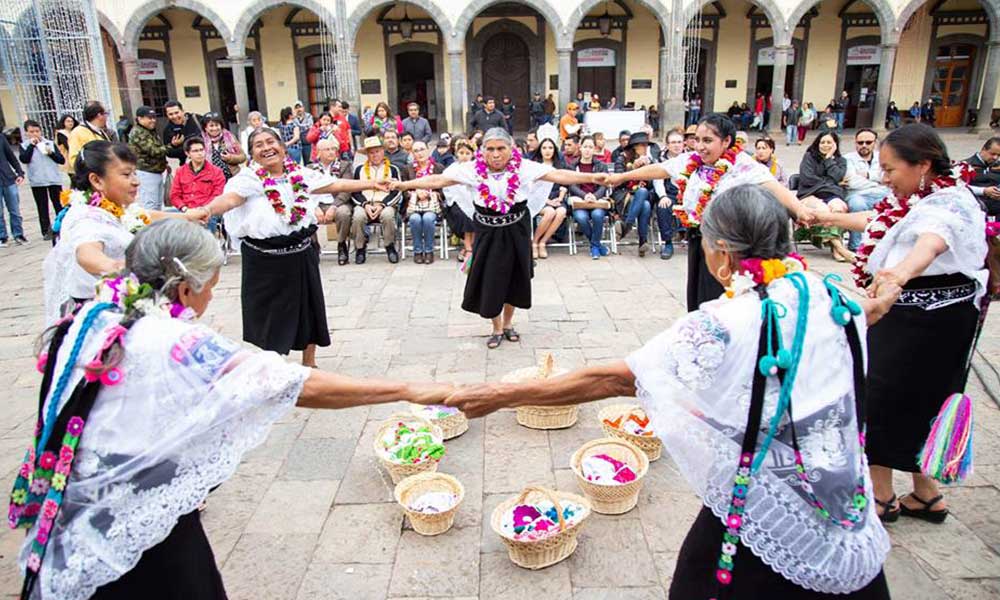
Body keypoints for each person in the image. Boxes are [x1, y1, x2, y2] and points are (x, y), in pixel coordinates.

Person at [444, 184, 896, 600]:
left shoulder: (722, 324)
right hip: (843, 502)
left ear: (721, 253)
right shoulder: (830, 295)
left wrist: (502, 395)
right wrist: (889, 289)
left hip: (766, 508)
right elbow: (871, 308)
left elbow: (614, 379)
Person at [16, 218, 455, 599]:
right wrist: (406, 387)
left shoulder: (92, 315)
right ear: (186, 289)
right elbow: (292, 383)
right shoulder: (172, 341)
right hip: (134, 523)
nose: (209, 300)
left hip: (69, 506)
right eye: (210, 290)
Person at [815, 123, 988, 526]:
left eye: (891, 169)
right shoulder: (914, 201)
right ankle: (927, 495)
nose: (884, 177)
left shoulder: (949, 204)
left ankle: (881, 496)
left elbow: (931, 242)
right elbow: (878, 223)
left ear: (923, 165)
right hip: (930, 317)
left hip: (919, 318)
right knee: (920, 402)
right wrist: (822, 216)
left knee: (880, 398)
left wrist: (898, 275)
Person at [391, 127, 608, 348]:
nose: (496, 154)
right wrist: (404, 185)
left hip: (517, 231)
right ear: (483, 151)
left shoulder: (523, 167)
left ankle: (508, 324)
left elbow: (559, 174)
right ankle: (495, 328)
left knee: (514, 279)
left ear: (511, 148)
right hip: (487, 231)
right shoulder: (471, 170)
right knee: (491, 280)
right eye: (490, 149)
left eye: (501, 148)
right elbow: (438, 180)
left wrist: (592, 177)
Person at [188, 129, 378, 366]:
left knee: (310, 310)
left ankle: (310, 362)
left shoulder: (299, 174)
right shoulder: (247, 179)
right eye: (258, 145)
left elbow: (334, 183)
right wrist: (207, 210)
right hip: (263, 258)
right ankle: (274, 364)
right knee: (270, 316)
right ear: (252, 153)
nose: (266, 148)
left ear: (282, 146)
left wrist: (373, 183)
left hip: (301, 253)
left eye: (270, 142)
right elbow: (230, 200)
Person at [605, 113, 810, 311]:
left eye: (708, 140)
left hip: (726, 245)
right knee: (698, 296)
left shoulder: (743, 165)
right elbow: (661, 169)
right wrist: (621, 177)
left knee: (720, 297)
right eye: (697, 140)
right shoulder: (692, 161)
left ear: (726, 141)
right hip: (699, 237)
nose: (700, 147)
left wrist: (800, 210)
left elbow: (774, 187)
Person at [43, 140, 201, 324]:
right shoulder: (85, 217)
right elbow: (86, 253)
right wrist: (116, 267)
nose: (136, 181)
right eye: (126, 174)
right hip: (101, 317)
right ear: (96, 180)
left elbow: (144, 215)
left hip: (120, 307)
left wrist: (189, 217)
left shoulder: (112, 208)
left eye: (135, 173)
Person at [797, 131, 852, 262]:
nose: (825, 145)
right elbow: (807, 179)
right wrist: (831, 183)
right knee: (823, 210)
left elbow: (838, 176)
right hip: (810, 194)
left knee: (840, 208)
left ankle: (835, 247)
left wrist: (828, 159)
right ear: (817, 143)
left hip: (831, 195)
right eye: (822, 142)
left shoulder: (841, 161)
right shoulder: (809, 157)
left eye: (829, 142)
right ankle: (840, 248)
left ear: (835, 145)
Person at [350, 136, 404, 264]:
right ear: (367, 155)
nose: (375, 155)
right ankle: (360, 248)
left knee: (388, 215)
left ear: (383, 152)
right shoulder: (359, 170)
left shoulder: (392, 169)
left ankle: (390, 246)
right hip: (365, 204)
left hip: (385, 204)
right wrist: (365, 204)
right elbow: (355, 191)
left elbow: (397, 191)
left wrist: (383, 205)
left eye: (377, 151)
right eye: (371, 153)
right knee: (357, 216)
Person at [842, 129, 891, 251]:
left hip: (882, 193)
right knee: (857, 204)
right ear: (855, 143)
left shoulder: (882, 157)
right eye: (860, 142)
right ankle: (856, 245)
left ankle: (885, 244)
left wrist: (868, 175)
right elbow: (852, 182)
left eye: (868, 142)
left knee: (896, 203)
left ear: (875, 143)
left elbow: (888, 177)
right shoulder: (847, 159)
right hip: (857, 194)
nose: (864, 145)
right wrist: (876, 181)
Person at [309, 138, 354, 265]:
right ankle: (313, 246)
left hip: (338, 202)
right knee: (304, 214)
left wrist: (334, 207)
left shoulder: (344, 166)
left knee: (344, 213)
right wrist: (314, 207)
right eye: (327, 149)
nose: (331, 152)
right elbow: (304, 192)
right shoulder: (310, 168)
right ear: (318, 152)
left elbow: (347, 189)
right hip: (317, 204)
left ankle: (341, 245)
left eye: (333, 149)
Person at [614, 131, 659, 257]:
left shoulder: (650, 161)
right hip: (625, 196)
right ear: (634, 147)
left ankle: (626, 225)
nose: (646, 148)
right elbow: (618, 181)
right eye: (643, 145)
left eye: (646, 145)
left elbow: (652, 185)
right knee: (645, 205)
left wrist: (647, 169)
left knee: (644, 193)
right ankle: (642, 242)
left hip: (642, 195)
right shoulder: (622, 159)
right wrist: (633, 168)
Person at [19, 119, 65, 240]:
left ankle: (62, 227)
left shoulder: (49, 143)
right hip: (37, 180)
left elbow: (61, 160)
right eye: (31, 131)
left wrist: (50, 152)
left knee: (58, 204)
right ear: (26, 133)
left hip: (53, 179)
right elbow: (24, 159)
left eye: (37, 131)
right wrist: (31, 146)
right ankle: (46, 231)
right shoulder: (24, 146)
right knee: (42, 206)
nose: (35, 134)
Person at [567, 136, 611, 260]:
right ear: (580, 147)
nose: (587, 150)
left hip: (597, 200)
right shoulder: (573, 165)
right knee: (581, 217)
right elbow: (571, 185)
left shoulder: (601, 166)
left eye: (590, 147)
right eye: (585, 146)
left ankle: (595, 246)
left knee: (597, 215)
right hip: (580, 201)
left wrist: (595, 196)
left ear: (594, 149)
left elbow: (604, 185)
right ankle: (597, 246)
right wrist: (584, 195)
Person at [169, 138, 226, 233]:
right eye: (195, 151)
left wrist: (201, 210)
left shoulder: (216, 172)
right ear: (188, 154)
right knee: (160, 221)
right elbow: (174, 196)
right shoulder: (181, 171)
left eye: (201, 150)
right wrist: (185, 209)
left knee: (203, 226)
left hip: (206, 211)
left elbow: (217, 196)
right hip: (185, 211)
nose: (200, 153)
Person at [530, 137, 569, 259]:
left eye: (550, 148)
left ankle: (543, 242)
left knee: (561, 211)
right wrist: (547, 201)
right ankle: (534, 242)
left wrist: (560, 198)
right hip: (539, 200)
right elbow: (532, 189)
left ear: (554, 150)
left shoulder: (560, 166)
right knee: (550, 212)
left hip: (557, 198)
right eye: (544, 148)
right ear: (540, 150)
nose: (547, 151)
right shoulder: (535, 167)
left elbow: (565, 184)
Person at [406, 140, 444, 264]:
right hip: (414, 206)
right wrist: (415, 193)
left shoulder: (438, 168)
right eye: (416, 151)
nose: (420, 153)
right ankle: (417, 251)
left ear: (428, 150)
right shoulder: (408, 169)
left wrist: (433, 193)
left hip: (432, 206)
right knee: (415, 219)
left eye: (422, 149)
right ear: (412, 153)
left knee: (428, 219)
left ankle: (429, 251)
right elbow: (403, 189)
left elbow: (444, 189)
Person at [442, 137, 477, 264]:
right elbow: (447, 189)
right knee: (465, 215)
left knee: (477, 213)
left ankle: (471, 247)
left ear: (472, 154)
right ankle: (468, 247)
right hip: (456, 203)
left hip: (474, 202)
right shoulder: (451, 169)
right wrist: (456, 200)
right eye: (461, 153)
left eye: (467, 153)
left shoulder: (476, 168)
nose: (464, 156)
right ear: (456, 153)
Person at [128, 106, 170, 211]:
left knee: (158, 205)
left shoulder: (149, 131)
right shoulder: (138, 132)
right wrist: (172, 146)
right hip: (146, 172)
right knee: (150, 205)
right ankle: (151, 227)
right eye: (149, 118)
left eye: (154, 118)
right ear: (139, 119)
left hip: (155, 171)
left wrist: (165, 164)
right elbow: (154, 151)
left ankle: (159, 226)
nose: (153, 120)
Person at [652, 128, 685, 260]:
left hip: (689, 192)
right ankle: (668, 242)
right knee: (663, 206)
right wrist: (663, 196)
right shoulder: (661, 160)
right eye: (673, 142)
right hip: (670, 192)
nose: (677, 145)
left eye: (679, 142)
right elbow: (657, 180)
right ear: (667, 145)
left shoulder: (692, 158)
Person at [0, 129, 26, 247]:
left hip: (8, 178)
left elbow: (10, 156)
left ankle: (18, 234)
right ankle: (2, 236)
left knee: (14, 209)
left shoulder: (1, 138)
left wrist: (19, 172)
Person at [68, 101, 112, 171]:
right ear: (99, 115)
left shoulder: (100, 131)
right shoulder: (78, 132)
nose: (107, 117)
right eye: (106, 113)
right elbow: (74, 160)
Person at [201, 113, 245, 181]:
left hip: (233, 179)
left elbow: (243, 157)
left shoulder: (230, 137)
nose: (215, 128)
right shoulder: (201, 142)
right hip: (212, 181)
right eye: (211, 126)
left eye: (217, 125)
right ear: (206, 128)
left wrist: (230, 158)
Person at [964, 136, 1000, 216]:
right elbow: (958, 188)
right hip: (976, 209)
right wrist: (984, 191)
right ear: (983, 149)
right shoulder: (965, 166)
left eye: (998, 155)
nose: (995, 158)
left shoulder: (997, 165)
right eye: (993, 154)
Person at [162, 101, 204, 165]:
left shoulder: (197, 119)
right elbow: (168, 153)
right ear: (167, 115)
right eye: (170, 114)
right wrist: (173, 145)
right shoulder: (168, 130)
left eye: (176, 112)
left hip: (205, 162)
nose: (174, 116)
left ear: (183, 111)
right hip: (186, 166)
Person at [293, 101, 315, 166]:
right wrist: (303, 126)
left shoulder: (308, 116)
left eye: (300, 107)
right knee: (297, 163)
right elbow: (294, 126)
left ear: (303, 108)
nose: (299, 109)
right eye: (296, 108)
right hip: (297, 144)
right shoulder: (293, 117)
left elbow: (310, 125)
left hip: (307, 143)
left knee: (307, 162)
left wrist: (299, 126)